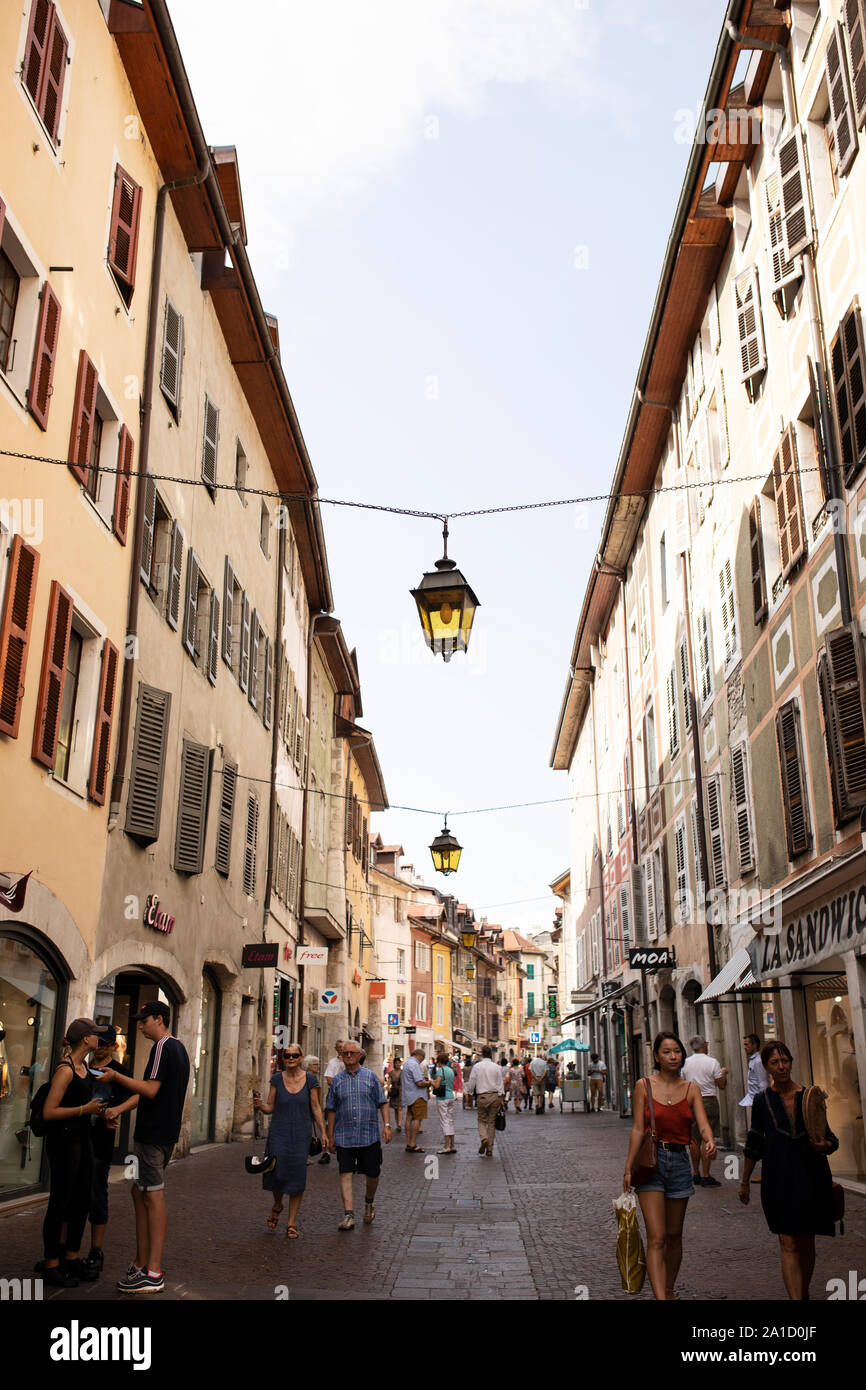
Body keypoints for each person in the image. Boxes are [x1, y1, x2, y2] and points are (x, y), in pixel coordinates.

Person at [100, 1001, 190, 1294]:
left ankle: (153, 1271)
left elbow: (148, 1089)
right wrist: (120, 1109)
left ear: (159, 1020)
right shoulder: (177, 1048)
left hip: (153, 1136)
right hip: (161, 1135)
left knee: (152, 1195)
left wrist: (115, 1076)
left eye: (144, 1020)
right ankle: (141, 1263)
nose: (139, 1026)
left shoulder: (163, 1047)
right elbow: (151, 1093)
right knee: (139, 1191)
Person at [738, 1042, 839, 1300]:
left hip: (811, 1176)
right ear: (767, 1067)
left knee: (806, 1241)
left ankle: (802, 1291)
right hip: (778, 1178)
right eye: (775, 1062)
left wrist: (823, 1144)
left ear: (791, 1062)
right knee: (788, 1241)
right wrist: (744, 1181)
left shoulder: (810, 1095)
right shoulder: (762, 1101)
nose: (782, 1066)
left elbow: (831, 1139)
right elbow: (754, 1142)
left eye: (785, 1061)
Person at [623, 1032, 716, 1301]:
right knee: (658, 1235)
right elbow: (638, 1129)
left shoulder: (691, 1089)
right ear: (656, 1056)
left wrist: (710, 1141)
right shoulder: (644, 1086)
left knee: (675, 1236)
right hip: (651, 1163)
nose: (673, 1056)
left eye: (677, 1051)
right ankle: (661, 1297)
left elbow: (703, 1123)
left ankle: (669, 1289)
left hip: (679, 1163)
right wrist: (629, 1167)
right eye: (667, 1051)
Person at [39, 1018, 113, 1288]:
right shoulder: (66, 1070)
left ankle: (71, 1256)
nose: (100, 1040)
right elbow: (49, 1111)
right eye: (97, 1035)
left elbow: (86, 1105)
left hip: (83, 1141)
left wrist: (102, 1114)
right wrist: (85, 1110)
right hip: (64, 1143)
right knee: (61, 1202)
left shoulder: (83, 1067)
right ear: (86, 1039)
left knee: (81, 1200)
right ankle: (51, 1263)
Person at [254, 1045, 326, 1237]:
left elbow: (316, 1107)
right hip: (279, 1133)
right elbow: (270, 1107)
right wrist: (261, 1106)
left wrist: (324, 1132)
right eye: (287, 1055)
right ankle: (277, 1204)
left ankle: (291, 1222)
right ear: (283, 1058)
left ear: (301, 1057)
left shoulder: (311, 1080)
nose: (291, 1058)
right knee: (276, 1172)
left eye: (295, 1055)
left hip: (301, 1135)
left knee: (297, 1177)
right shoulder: (277, 1079)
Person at [85, 1027, 138, 1272]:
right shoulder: (82, 1067)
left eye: (106, 1044)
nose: (101, 1048)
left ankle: (96, 1250)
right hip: (76, 1139)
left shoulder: (119, 1072)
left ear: (112, 1045)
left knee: (97, 1195)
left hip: (101, 1142)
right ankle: (68, 1251)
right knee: (71, 1195)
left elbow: (139, 1094)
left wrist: (116, 1110)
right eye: (99, 1043)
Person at [325, 1041, 390, 1230]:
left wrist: (386, 1125)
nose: (348, 1056)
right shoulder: (337, 1080)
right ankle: (348, 1214)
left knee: (373, 1173)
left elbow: (382, 1102)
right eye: (345, 1053)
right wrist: (330, 1135)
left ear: (360, 1055)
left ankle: (369, 1201)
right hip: (344, 1135)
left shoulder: (370, 1077)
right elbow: (331, 1109)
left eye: (352, 1053)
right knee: (345, 1173)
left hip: (368, 1134)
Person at [681, 1036, 727, 1188]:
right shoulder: (712, 1062)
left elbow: (681, 1084)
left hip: (691, 1102)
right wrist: (723, 1073)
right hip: (708, 1101)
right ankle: (706, 1175)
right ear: (704, 1046)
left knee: (694, 1139)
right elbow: (721, 1085)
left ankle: (695, 1173)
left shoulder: (685, 1063)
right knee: (708, 1138)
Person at [465, 1045, 505, 1156]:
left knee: (482, 1120)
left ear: (482, 1054)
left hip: (482, 1096)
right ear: (491, 1054)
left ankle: (484, 1139)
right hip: (494, 1096)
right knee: (491, 1122)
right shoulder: (496, 1067)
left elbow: (472, 1080)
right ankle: (490, 1149)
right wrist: (501, 1097)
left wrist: (469, 1093)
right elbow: (500, 1083)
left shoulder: (478, 1066)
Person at [401, 1049, 430, 1152]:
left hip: (409, 1095)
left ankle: (409, 1143)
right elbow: (419, 1082)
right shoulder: (414, 1064)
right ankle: (413, 1143)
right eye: (423, 1057)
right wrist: (429, 1082)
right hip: (418, 1095)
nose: (422, 1060)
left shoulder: (407, 1063)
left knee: (409, 1118)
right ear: (420, 1056)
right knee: (417, 1118)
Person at [430, 1053, 457, 1153]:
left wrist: (431, 1081)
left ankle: (446, 1146)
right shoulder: (450, 1070)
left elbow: (437, 1086)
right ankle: (452, 1144)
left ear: (439, 1061)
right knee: (450, 1120)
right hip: (451, 1096)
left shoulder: (440, 1070)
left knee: (444, 1121)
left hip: (442, 1097)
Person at [387, 1057, 404, 1133]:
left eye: (399, 1062)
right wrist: (388, 1087)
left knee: (400, 1108)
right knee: (395, 1109)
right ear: (394, 1064)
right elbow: (389, 1082)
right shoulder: (391, 1073)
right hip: (394, 1092)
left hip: (401, 1092)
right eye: (396, 1063)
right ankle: (397, 1123)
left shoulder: (403, 1072)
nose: (397, 1064)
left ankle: (399, 1124)